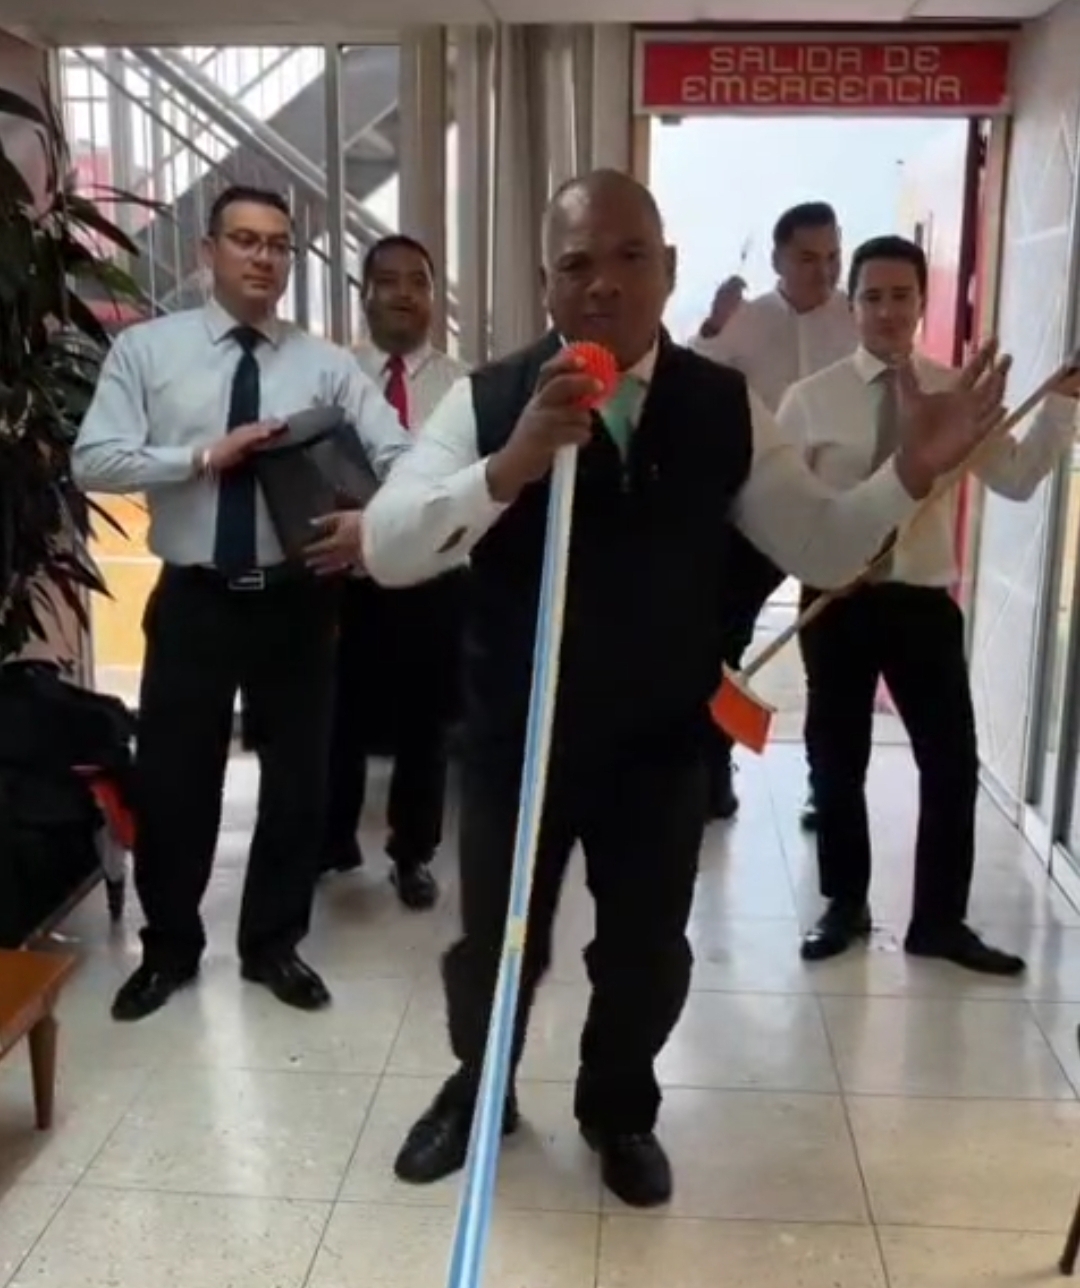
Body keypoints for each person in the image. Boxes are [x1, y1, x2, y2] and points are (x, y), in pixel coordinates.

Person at [346, 169, 1008, 1209]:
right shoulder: (489, 399)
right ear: (547, 282)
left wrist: (908, 476)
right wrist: (509, 465)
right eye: (576, 263)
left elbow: (821, 543)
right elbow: (388, 548)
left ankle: (619, 1108)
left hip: (658, 741)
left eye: (629, 258)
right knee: (494, 946)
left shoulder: (722, 406)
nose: (603, 283)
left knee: (647, 951)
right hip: (518, 737)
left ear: (669, 269)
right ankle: (481, 1088)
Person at [72, 186, 412, 1023]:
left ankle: (273, 946)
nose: (263, 257)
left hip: (298, 601)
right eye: (245, 240)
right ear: (207, 252)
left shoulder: (325, 365)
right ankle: (170, 948)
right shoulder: (148, 352)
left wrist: (370, 524)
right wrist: (199, 457)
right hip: (196, 600)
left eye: (278, 245)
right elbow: (94, 459)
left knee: (299, 783)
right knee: (176, 781)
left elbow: (402, 455)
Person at [781, 234, 1080, 976]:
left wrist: (1059, 409)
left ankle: (939, 922)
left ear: (922, 302)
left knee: (949, 764)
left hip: (921, 603)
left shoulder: (959, 396)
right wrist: (817, 561)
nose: (887, 311)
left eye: (902, 296)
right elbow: (786, 511)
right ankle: (844, 905)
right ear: (852, 305)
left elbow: (1017, 479)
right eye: (872, 297)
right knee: (836, 762)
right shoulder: (811, 400)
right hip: (836, 602)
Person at [693, 202, 859, 825]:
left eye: (833, 257)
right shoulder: (750, 319)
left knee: (832, 660)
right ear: (778, 260)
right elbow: (695, 373)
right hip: (754, 511)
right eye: (808, 258)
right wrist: (714, 326)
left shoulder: (856, 320)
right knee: (723, 643)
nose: (824, 272)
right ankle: (713, 773)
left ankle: (827, 786)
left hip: (835, 512)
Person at [321, 235, 467, 910]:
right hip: (343, 576)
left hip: (433, 580)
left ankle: (413, 855)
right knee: (337, 715)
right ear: (365, 293)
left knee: (424, 726)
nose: (405, 293)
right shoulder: (334, 377)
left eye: (419, 281)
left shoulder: (465, 387)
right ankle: (331, 840)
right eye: (389, 280)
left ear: (434, 296)